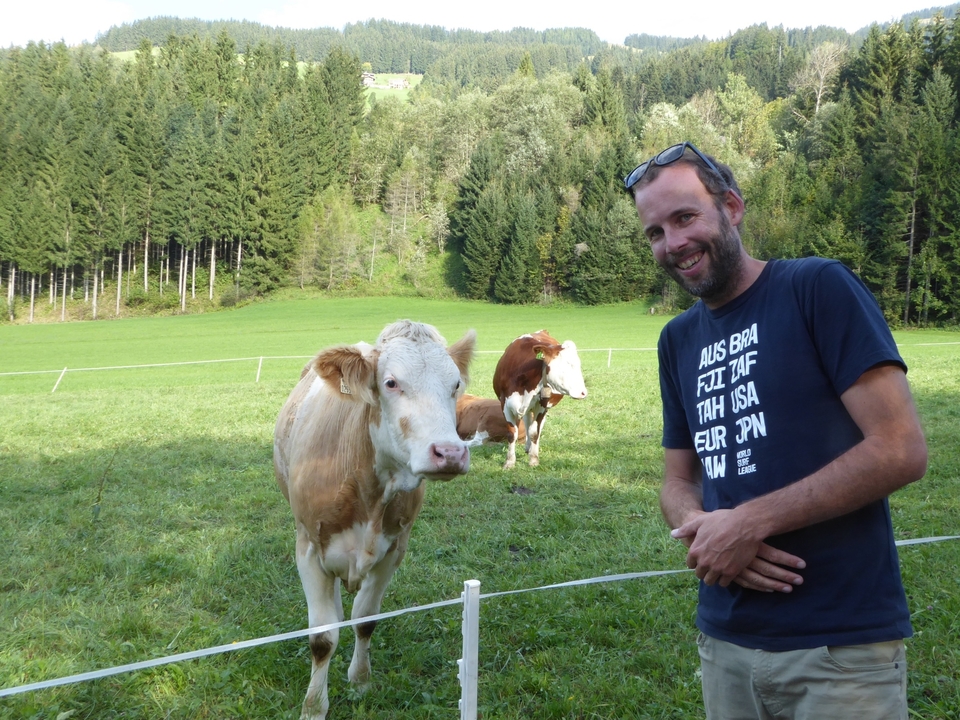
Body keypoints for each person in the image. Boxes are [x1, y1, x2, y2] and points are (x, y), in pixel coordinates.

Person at [624, 142, 928, 719]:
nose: (673, 244)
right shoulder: (676, 341)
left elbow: (901, 449)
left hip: (839, 649)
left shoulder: (817, 289)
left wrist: (751, 522)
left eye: (685, 217)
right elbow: (675, 482)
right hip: (724, 644)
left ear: (731, 208)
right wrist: (700, 528)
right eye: (655, 232)